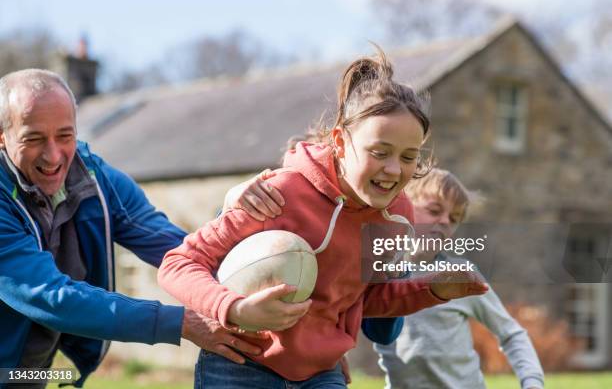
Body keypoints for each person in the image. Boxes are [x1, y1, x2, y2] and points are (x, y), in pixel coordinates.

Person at [158, 46, 488, 389]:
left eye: (409, 157)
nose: (394, 170)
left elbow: (363, 299)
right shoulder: (280, 193)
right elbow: (179, 264)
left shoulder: (398, 216)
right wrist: (235, 309)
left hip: (322, 373)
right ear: (341, 143)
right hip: (239, 362)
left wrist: (432, 288)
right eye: (380, 152)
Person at [0, 69, 279, 388]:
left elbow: (176, 248)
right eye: (33, 139)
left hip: (29, 373)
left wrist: (235, 223)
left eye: (65, 136)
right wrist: (181, 323)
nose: (53, 155)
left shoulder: (95, 180)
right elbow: (52, 297)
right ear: (2, 137)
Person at [373, 168, 545, 389]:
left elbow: (511, 334)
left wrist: (532, 381)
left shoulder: (461, 274)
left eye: (454, 218)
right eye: (434, 210)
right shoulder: (379, 272)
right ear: (404, 206)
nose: (445, 221)